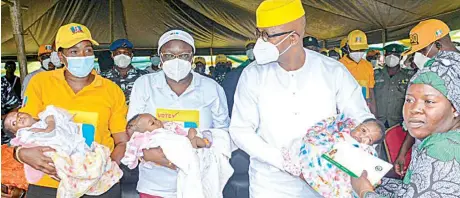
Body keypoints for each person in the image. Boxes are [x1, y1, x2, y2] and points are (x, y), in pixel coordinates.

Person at [229, 0, 374, 197]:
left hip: (325, 183)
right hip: (270, 185)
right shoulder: (252, 75)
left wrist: (359, 149)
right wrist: (284, 161)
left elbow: (359, 118)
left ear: (293, 38)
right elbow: (240, 130)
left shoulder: (332, 71)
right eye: (258, 33)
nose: (259, 42)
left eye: (266, 35)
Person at [16, 23, 128, 198]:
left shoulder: (111, 90)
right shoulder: (40, 83)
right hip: (49, 181)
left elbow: (121, 141)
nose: (82, 56)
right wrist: (20, 153)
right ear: (61, 56)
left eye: (88, 50)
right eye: (74, 51)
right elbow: (24, 129)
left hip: (99, 185)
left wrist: (105, 168)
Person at [351, 23, 460, 198]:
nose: (414, 109)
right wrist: (382, 181)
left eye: (429, 101)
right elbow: (416, 188)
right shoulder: (439, 135)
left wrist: (364, 191)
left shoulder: (443, 151)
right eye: (409, 100)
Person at [128, 29, 230, 198]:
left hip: (201, 184)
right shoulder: (145, 84)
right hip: (156, 185)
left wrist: (202, 147)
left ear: (192, 57)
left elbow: (223, 133)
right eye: (169, 55)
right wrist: (161, 159)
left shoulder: (211, 88)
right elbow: (132, 130)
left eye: (183, 55)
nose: (176, 61)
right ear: (160, 57)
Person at [390, 19, 460, 179]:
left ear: (438, 44)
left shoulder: (428, 75)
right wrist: (403, 152)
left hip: (434, 160)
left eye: (422, 50)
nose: (418, 56)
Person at [3, 106, 123, 198]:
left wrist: (49, 125)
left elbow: (54, 117)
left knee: (97, 158)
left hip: (77, 147)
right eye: (14, 123)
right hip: (60, 157)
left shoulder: (46, 116)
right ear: (16, 133)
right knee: (77, 169)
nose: (19, 119)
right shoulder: (25, 134)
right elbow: (24, 151)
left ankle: (96, 175)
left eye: (18, 115)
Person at [282, 115, 384, 198]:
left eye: (369, 139)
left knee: (347, 182)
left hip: (344, 169)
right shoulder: (344, 128)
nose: (362, 137)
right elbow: (323, 130)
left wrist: (373, 176)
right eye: (363, 130)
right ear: (358, 125)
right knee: (315, 149)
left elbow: (369, 162)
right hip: (329, 151)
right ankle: (307, 174)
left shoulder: (365, 149)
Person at [374, 44, 415, 129]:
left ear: (401, 57)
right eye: (389, 54)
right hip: (378, 121)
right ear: (384, 55)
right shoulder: (375, 74)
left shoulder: (408, 76)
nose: (391, 57)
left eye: (396, 55)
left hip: (398, 123)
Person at [339, 30, 377, 115]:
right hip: (346, 111)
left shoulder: (368, 66)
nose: (358, 52)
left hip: (364, 110)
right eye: (355, 49)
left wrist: (374, 114)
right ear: (347, 47)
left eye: (362, 49)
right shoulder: (339, 66)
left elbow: (370, 91)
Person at [101, 39, 148, 104]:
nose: (122, 56)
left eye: (126, 53)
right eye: (118, 53)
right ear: (112, 55)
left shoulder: (144, 76)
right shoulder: (102, 78)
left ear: (131, 55)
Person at [222, 42, 256, 117]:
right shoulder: (238, 72)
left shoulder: (269, 68)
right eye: (249, 48)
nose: (251, 50)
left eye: (253, 47)